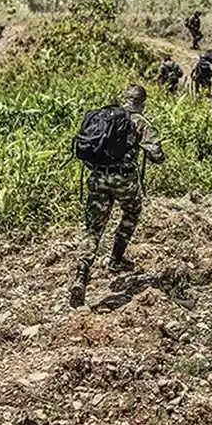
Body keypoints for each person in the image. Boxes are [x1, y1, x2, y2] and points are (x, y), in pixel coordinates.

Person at [69, 85, 165, 307]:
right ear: (143, 103)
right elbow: (156, 154)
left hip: (98, 179)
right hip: (124, 181)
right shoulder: (140, 122)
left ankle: (80, 277)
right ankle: (116, 260)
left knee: (93, 230)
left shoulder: (106, 116)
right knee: (131, 212)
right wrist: (156, 154)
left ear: (125, 99)